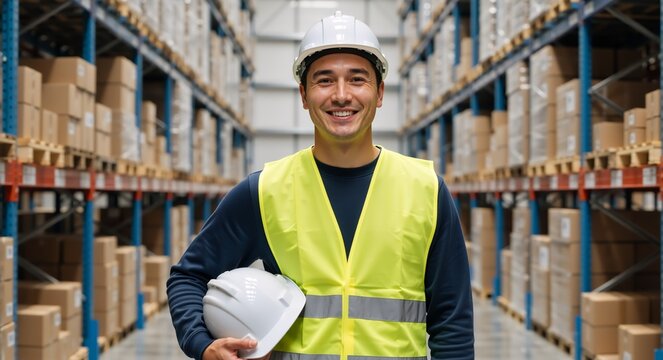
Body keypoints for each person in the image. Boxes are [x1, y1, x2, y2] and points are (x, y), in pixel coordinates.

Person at [168, 11, 474, 360]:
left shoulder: (426, 191)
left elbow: (452, 323)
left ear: (380, 92)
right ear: (303, 94)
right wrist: (203, 345)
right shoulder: (265, 191)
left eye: (357, 79)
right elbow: (188, 278)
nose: (341, 95)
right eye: (324, 81)